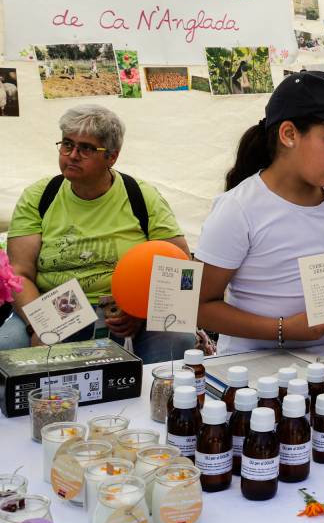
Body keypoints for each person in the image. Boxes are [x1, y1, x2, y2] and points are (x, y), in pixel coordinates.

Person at [195, 71, 324, 354]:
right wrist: (283, 329)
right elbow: (200, 306)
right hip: (251, 372)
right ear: (289, 134)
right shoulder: (238, 209)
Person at [0, 105, 191, 362]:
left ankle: (162, 400)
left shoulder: (141, 196)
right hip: (57, 307)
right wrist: (40, 324)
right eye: (67, 144)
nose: (73, 155)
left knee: (178, 339)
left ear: (112, 157)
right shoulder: (39, 196)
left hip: (125, 307)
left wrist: (140, 310)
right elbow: (19, 272)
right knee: (6, 347)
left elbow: (181, 265)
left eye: (86, 148)